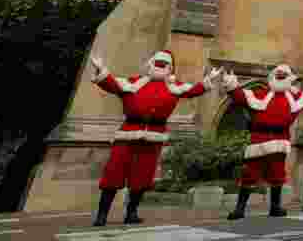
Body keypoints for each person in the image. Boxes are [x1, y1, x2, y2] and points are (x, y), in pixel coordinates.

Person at [89, 50, 219, 226]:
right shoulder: (134, 83)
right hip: (128, 133)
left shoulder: (174, 87)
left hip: (154, 137)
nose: (160, 66)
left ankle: (131, 213)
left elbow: (193, 90)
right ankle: (102, 215)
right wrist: (102, 69)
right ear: (150, 64)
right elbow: (111, 84)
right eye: (157, 63)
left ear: (170, 68)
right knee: (113, 173)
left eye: (164, 64)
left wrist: (208, 80)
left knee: (142, 177)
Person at [222, 64, 303, 219]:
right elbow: (241, 97)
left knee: (278, 175)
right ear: (271, 77)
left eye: (284, 75)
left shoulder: (295, 97)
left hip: (280, 141)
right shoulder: (260, 94)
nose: (280, 77)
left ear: (290, 79)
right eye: (278, 75)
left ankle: (275, 207)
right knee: (249, 174)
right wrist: (232, 85)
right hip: (259, 140)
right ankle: (240, 209)